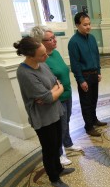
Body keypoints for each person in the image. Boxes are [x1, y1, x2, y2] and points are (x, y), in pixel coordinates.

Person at [14, 37, 75, 187]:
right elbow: (48, 97)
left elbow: (57, 83)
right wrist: (51, 94)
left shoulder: (42, 64)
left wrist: (53, 92)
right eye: (42, 55)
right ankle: (53, 177)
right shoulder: (24, 73)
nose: (46, 56)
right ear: (30, 56)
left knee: (56, 144)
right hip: (42, 117)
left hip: (54, 111)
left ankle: (59, 168)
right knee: (49, 148)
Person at [31, 26, 82, 166]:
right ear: (40, 42)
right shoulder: (42, 60)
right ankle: (59, 154)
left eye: (54, 37)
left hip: (67, 94)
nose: (55, 40)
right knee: (60, 126)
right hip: (56, 99)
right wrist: (58, 88)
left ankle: (68, 143)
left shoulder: (56, 53)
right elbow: (46, 82)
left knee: (66, 122)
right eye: (50, 39)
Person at [68, 12, 107, 137]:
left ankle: (94, 119)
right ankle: (88, 126)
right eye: (85, 25)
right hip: (84, 77)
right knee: (86, 102)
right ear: (77, 25)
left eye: (89, 24)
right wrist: (81, 80)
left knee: (94, 99)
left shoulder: (92, 38)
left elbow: (96, 56)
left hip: (94, 74)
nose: (88, 27)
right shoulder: (73, 42)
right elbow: (75, 64)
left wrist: (99, 71)